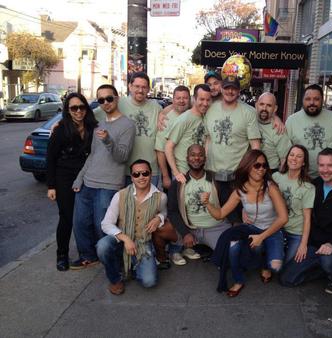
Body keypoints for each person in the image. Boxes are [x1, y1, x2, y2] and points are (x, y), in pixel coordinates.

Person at [201, 150, 288, 297]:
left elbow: (283, 218)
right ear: (247, 166)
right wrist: (207, 203)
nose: (262, 169)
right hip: (251, 228)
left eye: (264, 165)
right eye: (257, 165)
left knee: (276, 267)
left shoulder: (270, 187)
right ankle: (238, 279)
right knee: (233, 246)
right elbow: (220, 214)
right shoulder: (240, 191)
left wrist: (262, 237)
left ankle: (265, 263)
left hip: (272, 230)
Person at [280, 148, 332, 294]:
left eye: (330, 165)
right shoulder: (314, 185)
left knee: (328, 261)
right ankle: (323, 269)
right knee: (287, 278)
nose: (325, 170)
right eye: (321, 165)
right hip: (317, 245)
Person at [71, 84, 135, 269]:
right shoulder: (99, 124)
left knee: (103, 227)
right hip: (87, 182)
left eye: (109, 98)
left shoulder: (128, 125)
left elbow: (122, 157)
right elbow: (92, 155)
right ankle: (87, 256)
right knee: (80, 223)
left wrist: (108, 140)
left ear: (117, 98)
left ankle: (110, 261)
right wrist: (79, 178)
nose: (105, 102)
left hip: (109, 185)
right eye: (101, 100)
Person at [96, 159, 169, 295]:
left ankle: (132, 267)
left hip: (143, 242)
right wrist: (125, 238)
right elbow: (106, 223)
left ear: (151, 174)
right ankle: (115, 279)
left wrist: (159, 218)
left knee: (149, 282)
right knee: (102, 246)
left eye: (145, 173)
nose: (141, 177)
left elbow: (164, 211)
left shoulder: (161, 197)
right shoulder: (120, 195)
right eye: (136, 174)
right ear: (131, 177)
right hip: (121, 239)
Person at [47, 93, 98, 271]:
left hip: (87, 176)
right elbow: (51, 158)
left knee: (86, 216)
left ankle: (89, 251)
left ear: (86, 108)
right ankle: (62, 254)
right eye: (73, 108)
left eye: (81, 107)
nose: (78, 111)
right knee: (67, 217)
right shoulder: (61, 129)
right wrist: (51, 186)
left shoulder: (93, 126)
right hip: (65, 177)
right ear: (68, 111)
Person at [204, 76, 261, 223]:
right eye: (227, 87)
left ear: (239, 90)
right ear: (222, 88)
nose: (230, 91)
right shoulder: (210, 107)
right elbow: (207, 138)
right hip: (212, 173)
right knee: (216, 216)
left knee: (237, 218)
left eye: (234, 88)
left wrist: (254, 173)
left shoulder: (248, 112)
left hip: (236, 175)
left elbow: (255, 145)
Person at [168, 144, 231, 252]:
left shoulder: (216, 180)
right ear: (187, 159)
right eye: (192, 155)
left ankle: (204, 250)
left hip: (215, 228)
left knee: (230, 253)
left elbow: (228, 205)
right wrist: (185, 233)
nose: (196, 158)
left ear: (205, 159)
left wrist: (237, 223)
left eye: (200, 155)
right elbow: (173, 211)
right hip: (191, 229)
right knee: (163, 228)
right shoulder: (179, 183)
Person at [272, 145, 315, 263]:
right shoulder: (276, 177)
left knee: (288, 267)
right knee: (275, 266)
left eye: (299, 156)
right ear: (286, 158)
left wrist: (303, 244)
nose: (294, 159)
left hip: (296, 233)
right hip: (277, 228)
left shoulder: (308, 187)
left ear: (304, 163)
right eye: (291, 155)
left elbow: (307, 218)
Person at [285, 84, 332, 179]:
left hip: (328, 177)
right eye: (308, 99)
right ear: (302, 100)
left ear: (323, 100)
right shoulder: (291, 121)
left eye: (316, 99)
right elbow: (285, 151)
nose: (312, 102)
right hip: (300, 177)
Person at [120, 72, 162, 187]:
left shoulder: (156, 107)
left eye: (144, 87)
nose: (140, 90)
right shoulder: (119, 104)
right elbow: (93, 115)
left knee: (150, 204)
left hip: (150, 171)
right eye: (137, 86)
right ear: (130, 86)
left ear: (148, 89)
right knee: (127, 204)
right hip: (125, 171)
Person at [165, 84, 211, 183]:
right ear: (194, 99)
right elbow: (168, 147)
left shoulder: (205, 117)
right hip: (183, 174)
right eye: (201, 99)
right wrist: (176, 173)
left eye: (208, 100)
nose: (205, 103)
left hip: (199, 174)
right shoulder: (184, 119)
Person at [155, 85, 191, 189]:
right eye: (178, 98)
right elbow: (160, 151)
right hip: (176, 172)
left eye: (185, 98)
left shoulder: (194, 114)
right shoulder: (166, 119)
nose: (181, 101)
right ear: (173, 99)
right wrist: (166, 177)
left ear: (189, 99)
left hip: (196, 170)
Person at [256, 92, 291, 171]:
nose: (264, 108)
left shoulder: (279, 130)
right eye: (261, 104)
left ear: (275, 109)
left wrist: (278, 178)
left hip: (270, 171)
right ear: (256, 105)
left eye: (269, 105)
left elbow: (284, 159)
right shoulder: (249, 121)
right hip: (249, 170)